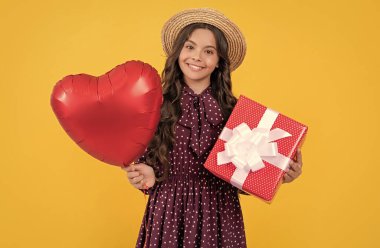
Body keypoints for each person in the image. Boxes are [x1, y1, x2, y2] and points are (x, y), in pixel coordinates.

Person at [123, 8, 303, 248]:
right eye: (190, 47)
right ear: (178, 52)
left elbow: (248, 174)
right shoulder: (155, 105)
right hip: (169, 211)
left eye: (209, 51)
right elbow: (146, 166)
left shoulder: (238, 112)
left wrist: (279, 173)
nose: (197, 57)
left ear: (219, 62)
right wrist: (145, 176)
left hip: (220, 214)